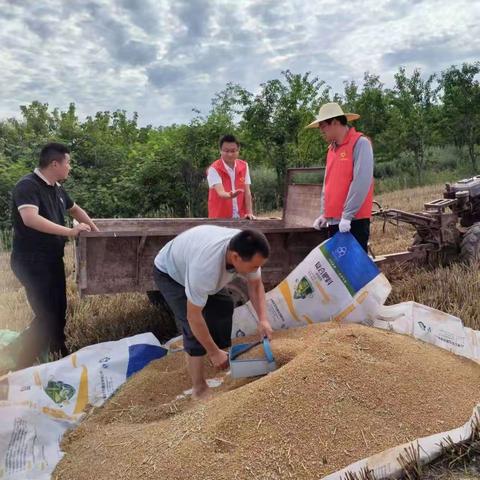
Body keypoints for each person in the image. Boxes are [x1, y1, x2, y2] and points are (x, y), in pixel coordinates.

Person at [6, 142, 98, 370]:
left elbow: (75, 210)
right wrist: (70, 231)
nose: (70, 167)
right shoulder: (27, 186)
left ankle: (59, 353)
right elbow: (30, 218)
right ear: (54, 163)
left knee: (58, 310)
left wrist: (96, 231)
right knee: (46, 315)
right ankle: (21, 366)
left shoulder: (56, 188)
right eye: (68, 163)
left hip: (51, 259)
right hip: (31, 261)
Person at [153, 225, 273, 400]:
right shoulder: (206, 269)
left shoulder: (247, 251)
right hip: (171, 272)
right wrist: (212, 351)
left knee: (223, 306)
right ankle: (199, 387)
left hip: (194, 257)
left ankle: (221, 358)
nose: (256, 270)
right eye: (254, 266)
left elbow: (255, 286)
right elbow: (193, 317)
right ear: (235, 257)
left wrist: (263, 320)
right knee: (192, 329)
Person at [306, 102, 374, 252]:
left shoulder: (360, 144)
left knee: (353, 270)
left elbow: (361, 182)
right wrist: (325, 213)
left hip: (353, 221)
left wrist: (348, 215)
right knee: (338, 271)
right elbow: (328, 183)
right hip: (336, 221)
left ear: (335, 122)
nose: (321, 131)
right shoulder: (332, 149)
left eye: (323, 126)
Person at [207, 134, 255, 219]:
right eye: (226, 151)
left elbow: (247, 192)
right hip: (219, 219)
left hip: (241, 217)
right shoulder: (214, 169)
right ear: (220, 150)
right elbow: (221, 193)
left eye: (233, 151)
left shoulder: (244, 166)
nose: (230, 154)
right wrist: (230, 195)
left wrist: (249, 212)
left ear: (238, 150)